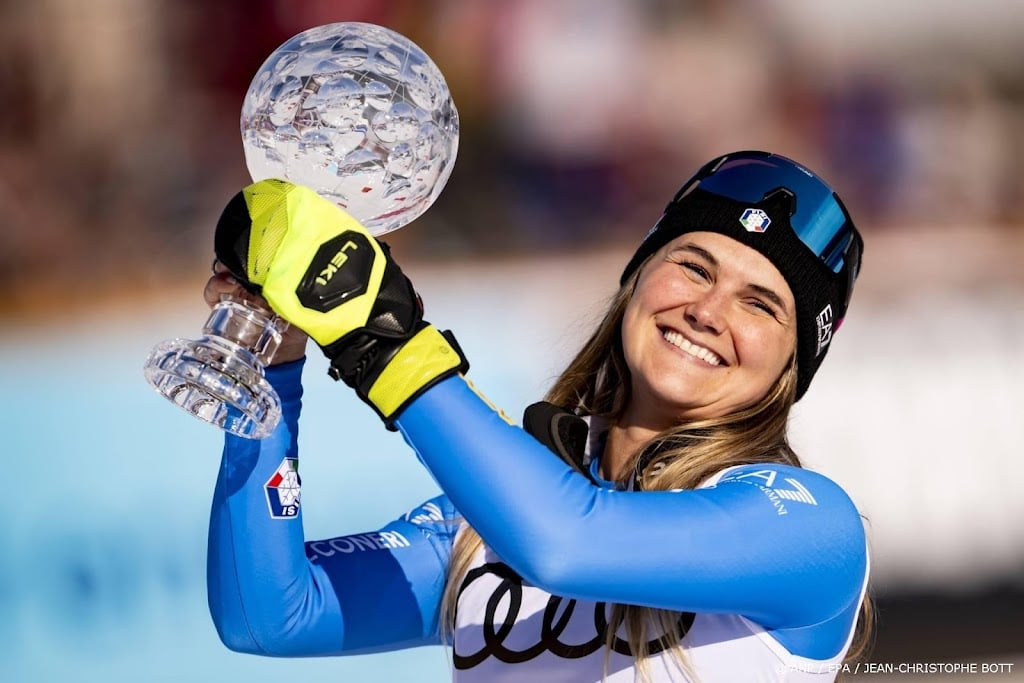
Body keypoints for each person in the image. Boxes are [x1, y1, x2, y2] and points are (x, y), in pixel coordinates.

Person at [204, 150, 871, 682]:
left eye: (760, 305)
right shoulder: (486, 525)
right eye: (693, 267)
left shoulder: (811, 525)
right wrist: (273, 364)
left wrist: (383, 341)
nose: (708, 310)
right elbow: (270, 614)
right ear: (637, 277)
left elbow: (566, 543)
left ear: (791, 363)